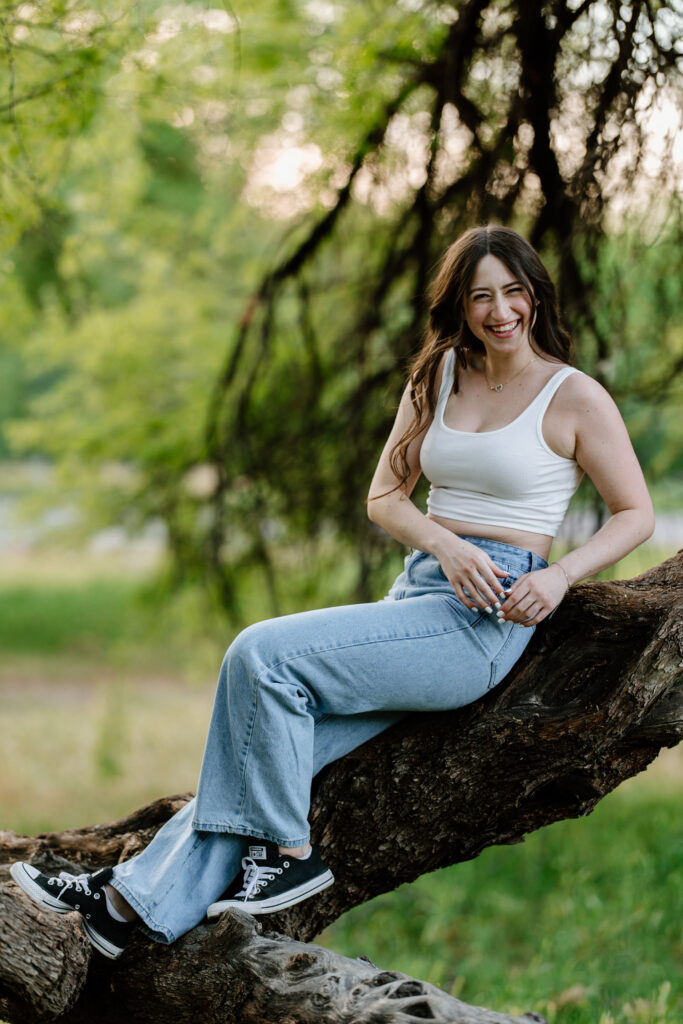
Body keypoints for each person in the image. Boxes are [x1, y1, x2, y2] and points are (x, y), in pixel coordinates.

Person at [10, 226, 654, 960]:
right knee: (256, 752)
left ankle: (285, 858)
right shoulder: (439, 375)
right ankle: (125, 905)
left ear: (535, 294)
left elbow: (632, 511)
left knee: (259, 654)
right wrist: (444, 544)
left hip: (485, 617)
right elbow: (385, 497)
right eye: (480, 295)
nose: (499, 310)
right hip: (416, 590)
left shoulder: (575, 396)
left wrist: (559, 574)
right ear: (461, 305)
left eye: (513, 291)